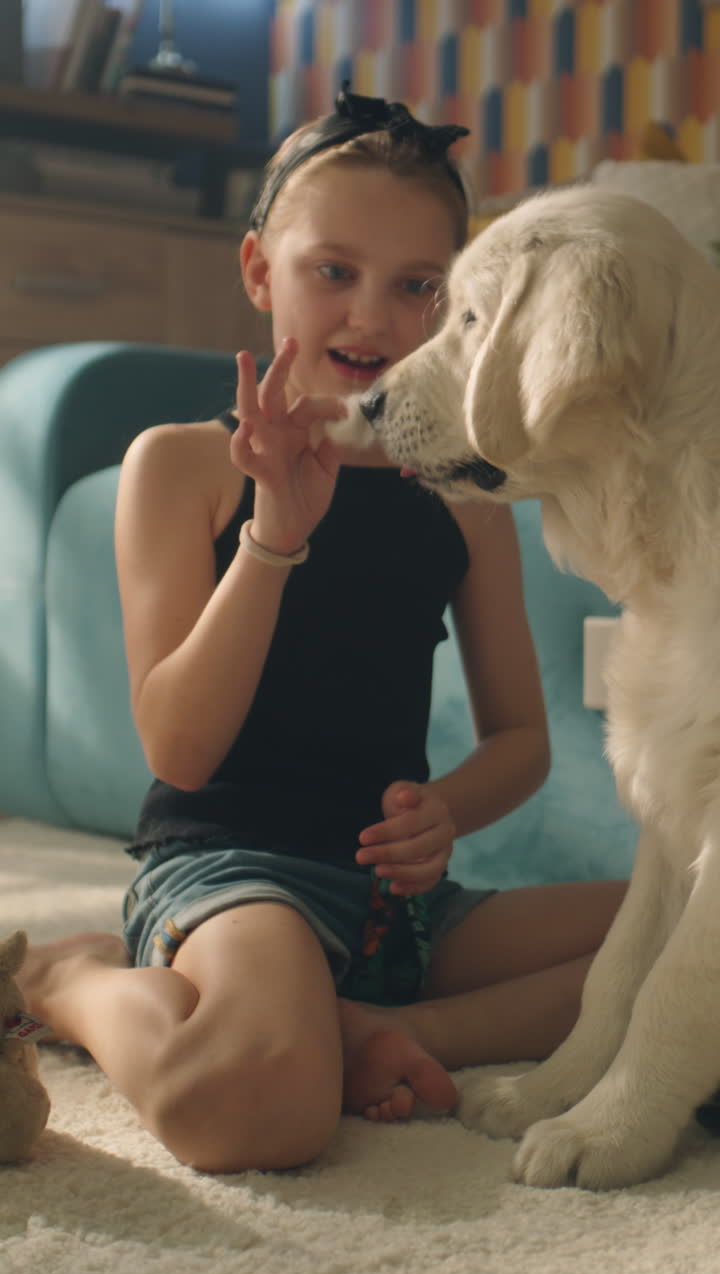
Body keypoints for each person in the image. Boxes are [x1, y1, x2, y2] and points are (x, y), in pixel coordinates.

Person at [19, 87, 625, 1175]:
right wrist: (273, 540)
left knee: (685, 931)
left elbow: (520, 740)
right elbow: (179, 751)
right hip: (229, 872)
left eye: (415, 286)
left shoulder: (464, 494)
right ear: (259, 269)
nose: (371, 316)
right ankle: (72, 979)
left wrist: (447, 807)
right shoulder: (179, 464)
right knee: (255, 1110)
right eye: (332, 271)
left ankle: (391, 1033)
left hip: (404, 908)